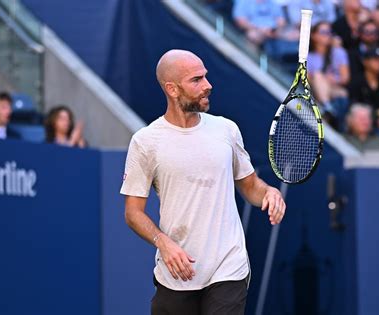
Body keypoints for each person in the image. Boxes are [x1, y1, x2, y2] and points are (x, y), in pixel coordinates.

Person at [121, 49, 286, 314]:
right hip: (177, 272)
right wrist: (163, 242)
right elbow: (132, 213)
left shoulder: (227, 129)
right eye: (196, 80)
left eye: (205, 77)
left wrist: (269, 193)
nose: (208, 86)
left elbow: (251, 186)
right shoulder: (145, 141)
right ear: (172, 89)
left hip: (228, 266)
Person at [308, 21, 350, 127]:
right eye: (323, 32)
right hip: (315, 91)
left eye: (329, 32)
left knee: (343, 93)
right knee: (318, 76)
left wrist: (333, 80)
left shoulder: (339, 52)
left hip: (335, 88)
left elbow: (345, 78)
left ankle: (327, 109)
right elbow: (307, 79)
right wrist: (323, 79)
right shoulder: (309, 56)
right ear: (314, 35)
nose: (327, 35)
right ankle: (327, 107)